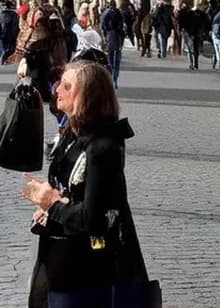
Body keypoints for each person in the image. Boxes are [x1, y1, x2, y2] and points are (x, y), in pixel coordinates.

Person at [22, 60, 149, 307]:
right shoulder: (72, 134)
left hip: (88, 266)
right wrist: (52, 204)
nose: (57, 89)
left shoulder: (103, 147)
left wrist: (52, 204)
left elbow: (92, 218)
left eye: (67, 86)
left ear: (87, 97)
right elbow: (70, 189)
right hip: (63, 255)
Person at [99, 0, 125, 86]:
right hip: (117, 37)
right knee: (117, 58)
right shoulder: (118, 13)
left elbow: (102, 26)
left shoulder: (105, 13)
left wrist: (104, 37)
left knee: (110, 57)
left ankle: (110, 75)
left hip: (109, 36)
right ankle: (115, 76)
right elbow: (122, 25)